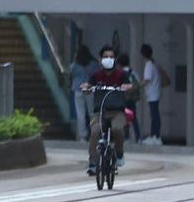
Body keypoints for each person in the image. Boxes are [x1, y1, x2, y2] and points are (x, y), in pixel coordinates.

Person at [82, 45, 133, 173]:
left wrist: (127, 87)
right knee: (94, 132)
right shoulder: (96, 75)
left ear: (115, 59)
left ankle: (119, 153)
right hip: (99, 112)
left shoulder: (122, 74)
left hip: (117, 112)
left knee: (117, 129)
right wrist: (86, 87)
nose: (108, 59)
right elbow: (88, 87)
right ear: (101, 59)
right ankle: (93, 163)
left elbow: (129, 86)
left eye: (111, 57)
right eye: (105, 57)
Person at [138, 44, 165, 146]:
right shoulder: (153, 64)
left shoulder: (149, 65)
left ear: (143, 54)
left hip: (152, 93)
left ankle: (155, 136)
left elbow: (146, 80)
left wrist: (137, 87)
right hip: (155, 93)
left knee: (154, 115)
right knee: (154, 114)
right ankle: (155, 135)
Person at [67, 44, 95, 142]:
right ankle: (94, 133)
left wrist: (75, 59)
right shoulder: (93, 64)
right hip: (89, 90)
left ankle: (83, 136)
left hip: (78, 89)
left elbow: (69, 72)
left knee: (80, 114)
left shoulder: (75, 65)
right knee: (92, 113)